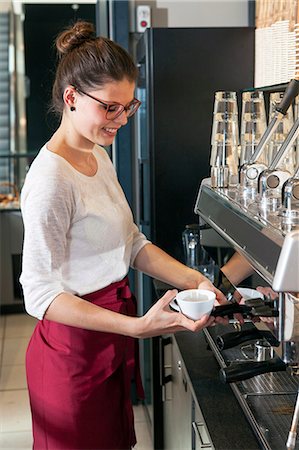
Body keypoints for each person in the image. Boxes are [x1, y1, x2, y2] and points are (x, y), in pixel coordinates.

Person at [20, 21, 226, 450]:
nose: (121, 119)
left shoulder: (96, 153)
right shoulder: (51, 179)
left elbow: (130, 242)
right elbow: (39, 294)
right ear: (71, 97)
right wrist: (133, 327)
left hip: (109, 342)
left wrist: (194, 280)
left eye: (128, 106)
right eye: (109, 107)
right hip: (71, 355)